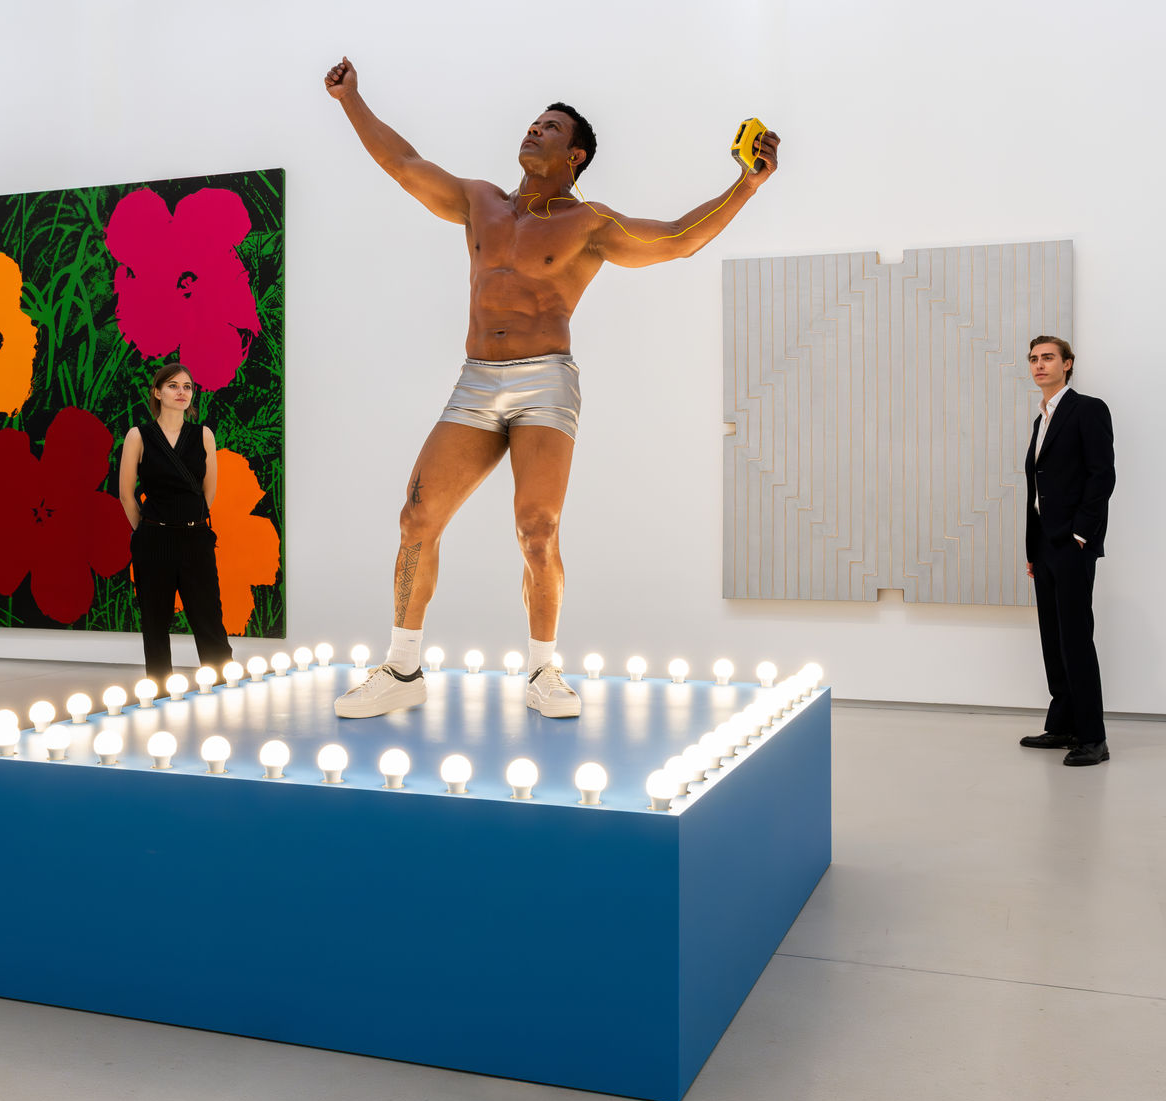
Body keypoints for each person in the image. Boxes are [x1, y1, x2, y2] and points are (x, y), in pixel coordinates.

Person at [323, 56, 780, 719]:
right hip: (476, 380)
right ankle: (401, 668)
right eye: (534, 122)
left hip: (546, 381)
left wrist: (747, 185)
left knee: (537, 531)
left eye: (551, 127)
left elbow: (678, 240)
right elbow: (404, 163)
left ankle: (542, 670)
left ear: (576, 155)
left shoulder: (589, 223)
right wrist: (350, 100)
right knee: (416, 518)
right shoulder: (479, 201)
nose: (534, 129)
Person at [1020, 336, 1115, 766]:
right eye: (1033, 359)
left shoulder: (1087, 409)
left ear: (1068, 364)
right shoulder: (1040, 420)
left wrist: (1081, 534)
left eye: (1048, 358)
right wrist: (1032, 547)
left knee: (1075, 639)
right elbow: (1037, 487)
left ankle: (1093, 738)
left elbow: (1102, 476)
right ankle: (1062, 725)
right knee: (1052, 639)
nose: (1039, 365)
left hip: (1072, 544)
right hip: (1044, 545)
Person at [117, 362, 234, 687]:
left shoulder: (203, 435)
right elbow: (126, 494)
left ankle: (224, 687)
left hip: (196, 538)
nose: (181, 392)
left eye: (187, 386)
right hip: (154, 540)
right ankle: (158, 694)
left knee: (209, 619)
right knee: (155, 623)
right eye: (172, 386)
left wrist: (189, 522)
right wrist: (148, 530)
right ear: (157, 392)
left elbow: (209, 493)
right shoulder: (138, 436)